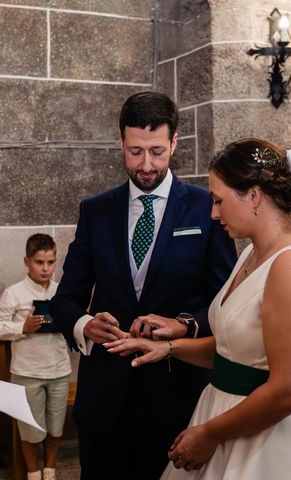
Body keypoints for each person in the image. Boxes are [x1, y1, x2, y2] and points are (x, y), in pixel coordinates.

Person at [106, 138, 291, 479]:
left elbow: (290, 389)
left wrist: (210, 434)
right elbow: (239, 351)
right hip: (225, 412)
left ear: (253, 195)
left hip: (271, 440)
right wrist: (168, 348)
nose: (213, 213)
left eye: (219, 201)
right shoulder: (252, 253)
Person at [49, 91, 237, 480]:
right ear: (120, 142)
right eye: (135, 152)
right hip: (104, 400)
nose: (146, 165)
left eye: (156, 151)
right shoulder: (95, 210)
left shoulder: (206, 208)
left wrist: (183, 324)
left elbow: (227, 303)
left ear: (174, 143)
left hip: (177, 397)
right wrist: (85, 326)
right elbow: (66, 299)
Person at [0, 234, 71, 480]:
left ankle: (50, 470)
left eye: (50, 262)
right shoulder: (14, 293)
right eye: (39, 262)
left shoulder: (63, 291)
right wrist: (22, 328)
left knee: (56, 428)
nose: (46, 268)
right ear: (27, 261)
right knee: (30, 430)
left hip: (59, 370)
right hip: (27, 372)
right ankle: (33, 473)